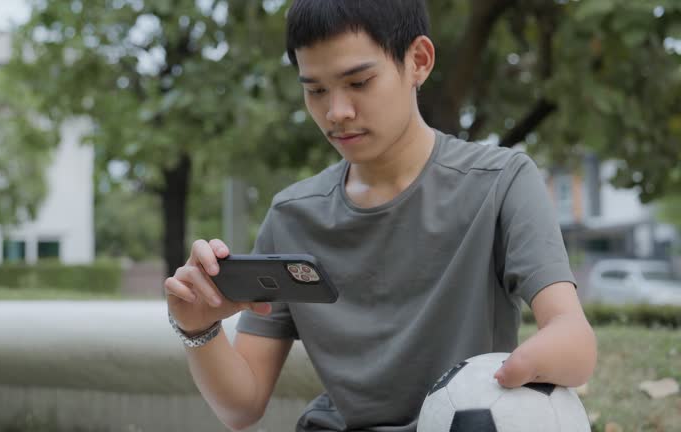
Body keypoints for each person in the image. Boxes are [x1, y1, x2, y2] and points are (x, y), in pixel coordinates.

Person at [163, 0, 597, 430]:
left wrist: (506, 376)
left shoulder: (501, 182)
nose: (336, 112)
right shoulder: (292, 216)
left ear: (419, 61)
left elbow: (572, 339)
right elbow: (242, 407)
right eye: (315, 90)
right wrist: (198, 328)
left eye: (359, 82)